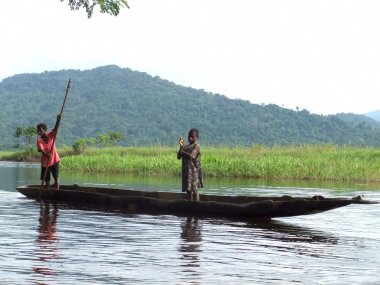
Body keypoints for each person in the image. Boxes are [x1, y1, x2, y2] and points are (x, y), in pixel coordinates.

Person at [177, 128, 203, 201]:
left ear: (196, 137)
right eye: (189, 136)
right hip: (186, 172)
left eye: (192, 136)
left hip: (194, 172)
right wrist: (181, 146)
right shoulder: (185, 146)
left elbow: (191, 156)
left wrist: (183, 152)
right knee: (188, 190)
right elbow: (179, 156)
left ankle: (197, 204)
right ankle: (190, 204)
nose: (190, 138)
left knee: (194, 190)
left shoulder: (196, 146)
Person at [37, 115, 61, 190]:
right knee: (47, 180)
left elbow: (55, 129)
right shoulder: (39, 140)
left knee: (56, 177)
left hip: (54, 160)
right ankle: (48, 192)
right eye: (38, 130)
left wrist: (57, 120)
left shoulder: (50, 135)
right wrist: (47, 154)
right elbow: (41, 149)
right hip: (45, 163)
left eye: (40, 130)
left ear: (45, 130)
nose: (39, 132)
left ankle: (57, 191)